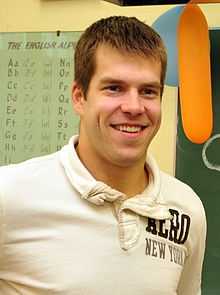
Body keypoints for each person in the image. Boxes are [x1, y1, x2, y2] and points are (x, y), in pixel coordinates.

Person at [0, 16, 206, 295]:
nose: (134, 107)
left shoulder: (186, 209)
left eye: (148, 91)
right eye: (114, 88)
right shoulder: (10, 195)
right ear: (79, 97)